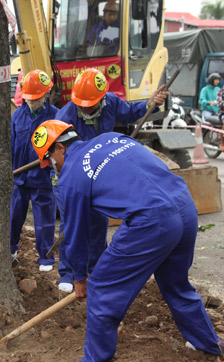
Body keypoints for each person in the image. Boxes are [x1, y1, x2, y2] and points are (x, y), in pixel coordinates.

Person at [30, 119, 223, 362]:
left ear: (60, 149)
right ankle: (211, 345)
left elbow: (75, 235)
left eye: (50, 161)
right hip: (184, 205)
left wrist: (79, 277)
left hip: (151, 221)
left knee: (101, 287)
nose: (52, 168)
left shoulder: (71, 178)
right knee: (176, 285)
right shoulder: (110, 138)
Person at [54, 68, 168, 292]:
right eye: (81, 103)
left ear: (101, 98)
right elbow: (58, 156)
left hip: (98, 178)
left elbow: (130, 112)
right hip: (71, 177)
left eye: (90, 103)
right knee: (72, 226)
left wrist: (149, 103)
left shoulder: (111, 102)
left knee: (98, 225)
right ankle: (68, 273)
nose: (85, 107)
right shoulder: (65, 118)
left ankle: (96, 271)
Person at [10, 70, 59, 272]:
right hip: (20, 178)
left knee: (45, 221)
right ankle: (10, 249)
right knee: (14, 217)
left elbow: (60, 150)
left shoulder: (56, 117)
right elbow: (12, 145)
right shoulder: (18, 116)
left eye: (36, 98)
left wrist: (54, 173)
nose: (31, 102)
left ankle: (46, 257)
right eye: (29, 98)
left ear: (46, 94)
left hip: (42, 179)